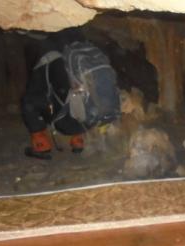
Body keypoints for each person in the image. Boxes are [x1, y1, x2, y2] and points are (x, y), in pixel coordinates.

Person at [21, 29, 119, 160]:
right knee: (69, 93)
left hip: (66, 122)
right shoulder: (88, 53)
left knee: (29, 101)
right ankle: (78, 140)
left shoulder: (50, 57)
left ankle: (41, 144)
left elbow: (35, 93)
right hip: (93, 118)